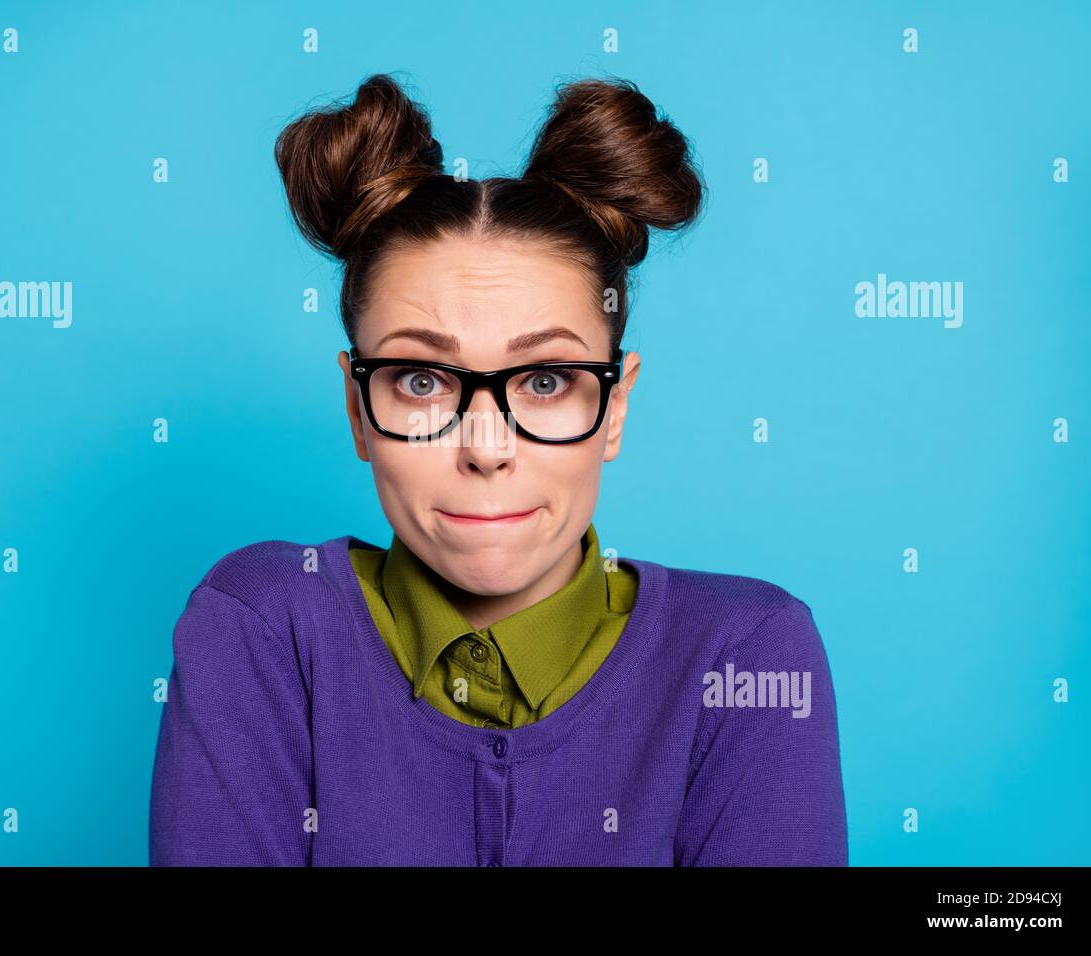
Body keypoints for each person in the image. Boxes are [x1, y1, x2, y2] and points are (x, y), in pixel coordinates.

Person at [149, 73, 847, 866]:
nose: (486, 447)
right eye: (421, 380)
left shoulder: (742, 654)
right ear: (356, 407)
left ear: (614, 409)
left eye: (545, 381)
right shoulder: (264, 628)